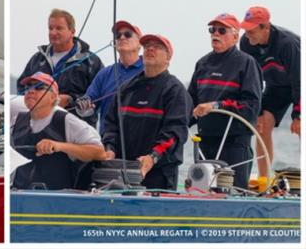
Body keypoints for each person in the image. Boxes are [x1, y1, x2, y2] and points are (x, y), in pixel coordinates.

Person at [102, 34, 191, 190]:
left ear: (168, 58)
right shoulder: (126, 88)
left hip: (158, 173)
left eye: (157, 47)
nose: (150, 49)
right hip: (122, 171)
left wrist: (153, 157)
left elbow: (175, 134)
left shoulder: (175, 90)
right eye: (147, 46)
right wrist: (109, 149)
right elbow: (111, 125)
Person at [188, 13, 262, 189]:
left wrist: (216, 106)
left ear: (235, 36)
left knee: (234, 191)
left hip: (234, 142)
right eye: (212, 30)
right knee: (203, 190)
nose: (216, 34)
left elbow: (251, 106)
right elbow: (190, 103)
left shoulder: (247, 63)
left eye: (222, 30)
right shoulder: (202, 64)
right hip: (204, 141)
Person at [11, 72, 105, 190]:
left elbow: (99, 153)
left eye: (39, 87)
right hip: (20, 199)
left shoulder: (67, 121)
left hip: (58, 201)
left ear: (53, 97)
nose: (30, 91)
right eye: (27, 87)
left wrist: (59, 146)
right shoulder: (17, 121)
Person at [239, 6, 301, 181]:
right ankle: (264, 179)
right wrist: (257, 111)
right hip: (277, 86)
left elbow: (299, 80)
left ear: (266, 27)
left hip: (299, 82)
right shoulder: (246, 43)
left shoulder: (287, 43)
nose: (247, 34)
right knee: (262, 125)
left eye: (252, 30)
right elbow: (252, 80)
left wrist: (298, 114)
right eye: (246, 29)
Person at [16, 8, 104, 126]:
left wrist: (70, 100)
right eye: (50, 28)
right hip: (39, 127)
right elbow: (21, 88)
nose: (53, 32)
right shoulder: (37, 59)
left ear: (72, 31)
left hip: (76, 128)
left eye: (59, 28)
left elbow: (101, 94)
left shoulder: (91, 61)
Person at [78, 20, 145, 133]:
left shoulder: (149, 71)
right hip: (109, 142)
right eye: (118, 35)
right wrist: (83, 106)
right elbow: (89, 103)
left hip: (140, 141)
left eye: (128, 34)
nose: (122, 37)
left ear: (140, 44)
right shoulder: (104, 74)